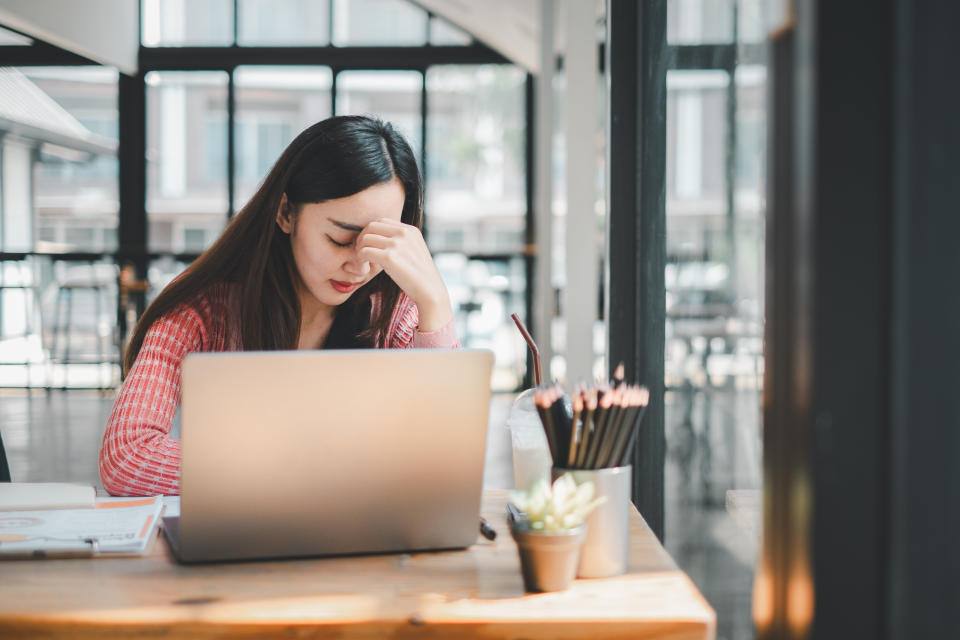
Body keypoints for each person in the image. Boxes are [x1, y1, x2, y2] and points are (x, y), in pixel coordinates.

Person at [100, 115, 458, 496]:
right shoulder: (201, 313)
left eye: (380, 245)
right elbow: (127, 457)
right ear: (286, 212)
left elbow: (446, 462)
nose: (361, 266)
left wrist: (434, 303)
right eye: (340, 239)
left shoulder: (396, 316)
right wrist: (307, 472)